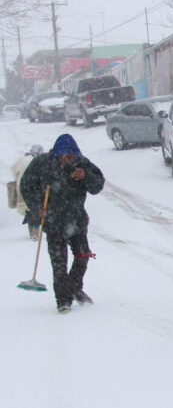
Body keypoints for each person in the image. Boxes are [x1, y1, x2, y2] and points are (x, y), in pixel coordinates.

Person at [20, 133, 105, 314]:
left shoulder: (81, 164)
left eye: (71, 155)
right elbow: (26, 185)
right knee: (59, 264)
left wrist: (85, 176)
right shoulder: (42, 164)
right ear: (57, 153)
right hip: (53, 221)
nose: (68, 159)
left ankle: (74, 287)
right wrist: (37, 207)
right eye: (65, 156)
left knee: (82, 256)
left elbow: (97, 186)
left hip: (77, 220)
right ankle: (63, 300)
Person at [11, 144, 45, 240]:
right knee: (35, 209)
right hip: (33, 189)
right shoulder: (38, 161)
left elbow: (14, 170)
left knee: (28, 210)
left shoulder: (23, 159)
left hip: (21, 187)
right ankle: (35, 232)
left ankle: (32, 230)